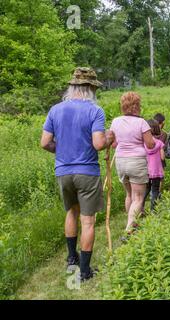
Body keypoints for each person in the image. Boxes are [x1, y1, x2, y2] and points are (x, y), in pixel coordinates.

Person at [41, 67, 114, 282]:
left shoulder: (55, 110)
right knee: (88, 221)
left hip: (63, 171)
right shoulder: (95, 111)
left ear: (72, 87)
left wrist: (61, 149)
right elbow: (99, 143)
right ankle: (84, 272)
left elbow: (45, 142)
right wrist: (110, 138)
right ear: (91, 88)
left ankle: (71, 259)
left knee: (71, 213)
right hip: (87, 172)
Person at [110, 92, 155, 238]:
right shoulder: (141, 122)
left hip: (121, 160)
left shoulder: (115, 121)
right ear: (136, 106)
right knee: (138, 197)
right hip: (136, 161)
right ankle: (129, 230)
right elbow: (150, 144)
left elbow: (114, 144)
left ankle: (131, 222)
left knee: (129, 194)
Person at [144, 120, 165, 212]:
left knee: (146, 189)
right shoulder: (159, 143)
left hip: (146, 170)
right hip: (156, 171)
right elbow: (163, 157)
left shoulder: (143, 143)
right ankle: (153, 210)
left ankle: (140, 208)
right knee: (155, 190)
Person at [153, 113, 168, 192]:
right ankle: (158, 193)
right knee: (161, 178)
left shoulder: (149, 133)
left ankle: (153, 192)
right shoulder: (164, 134)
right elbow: (163, 147)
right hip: (160, 158)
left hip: (150, 158)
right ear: (162, 123)